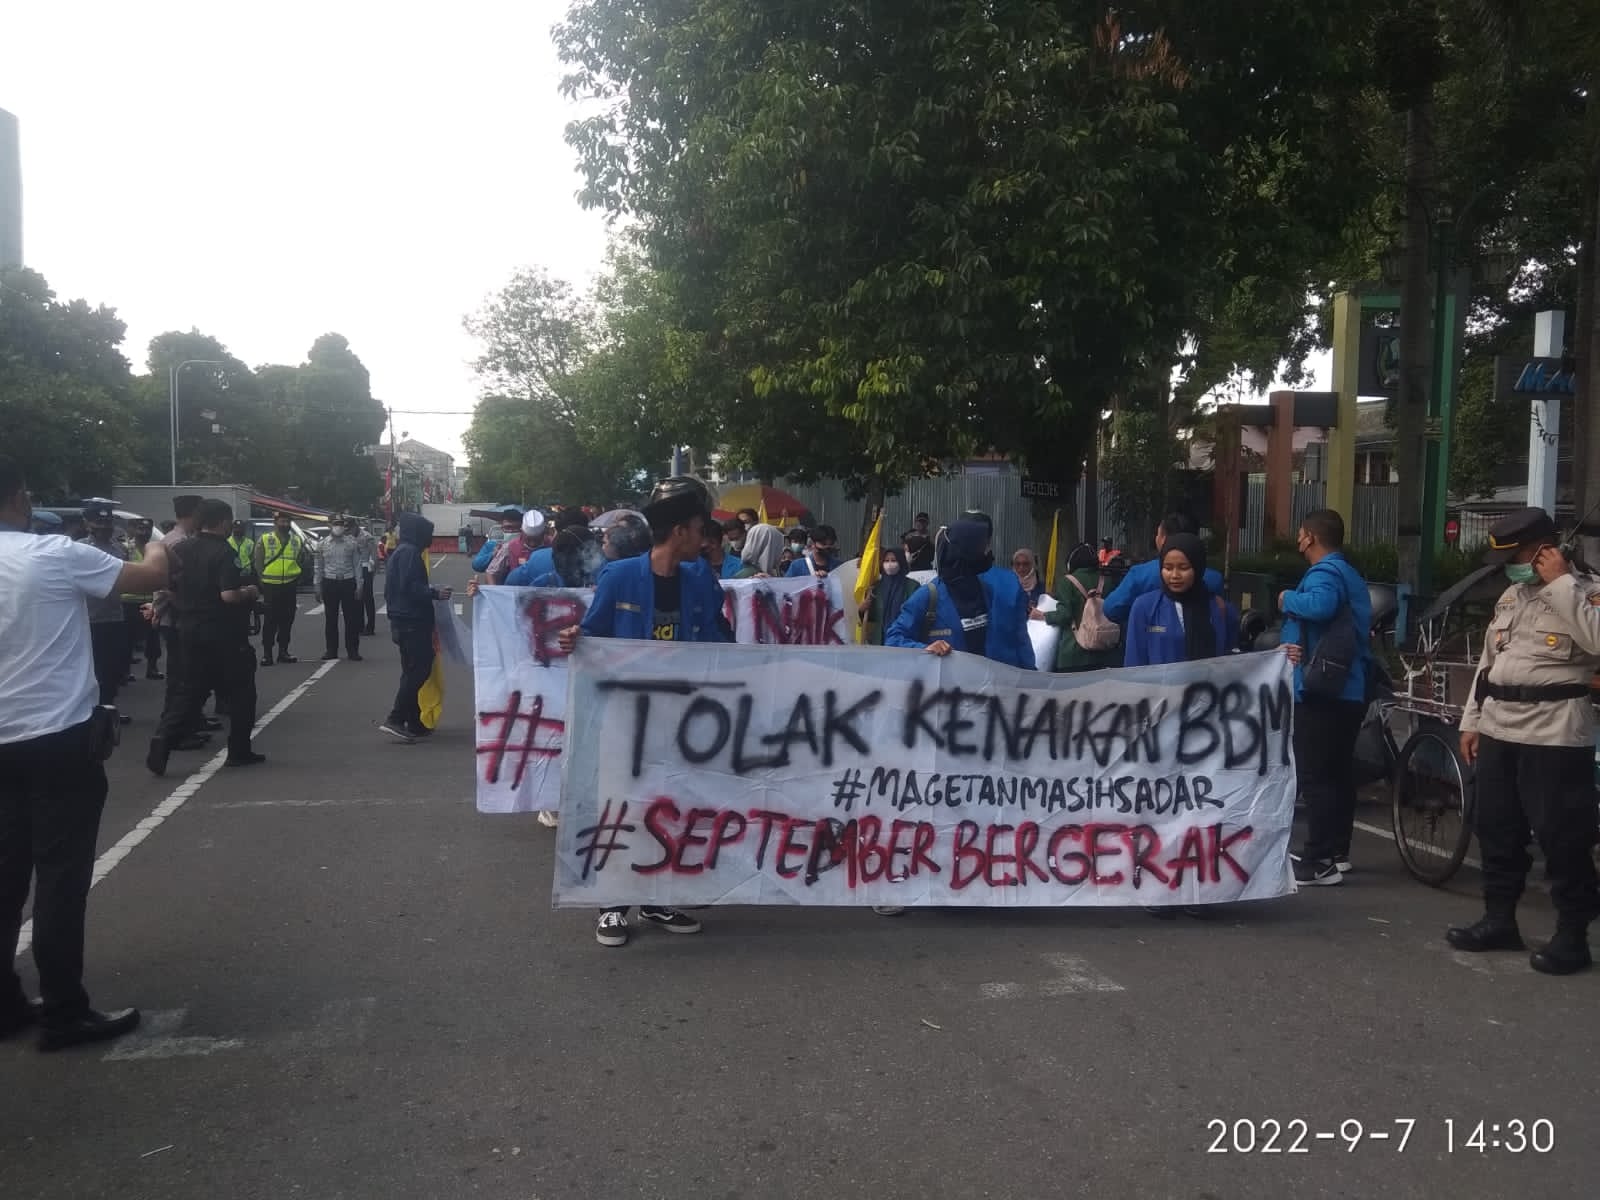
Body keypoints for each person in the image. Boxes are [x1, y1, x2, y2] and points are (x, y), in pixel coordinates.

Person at [1, 454, 172, 1050]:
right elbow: (148, 577)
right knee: (60, 874)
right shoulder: (53, 554)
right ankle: (64, 1010)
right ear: (20, 498)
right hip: (55, 737)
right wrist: (154, 540)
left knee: (3, 874)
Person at [557, 477, 729, 948]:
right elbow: (594, 635)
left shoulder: (700, 580)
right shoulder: (620, 577)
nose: (705, 539)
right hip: (625, 721)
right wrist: (575, 638)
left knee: (672, 808)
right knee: (622, 808)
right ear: (679, 531)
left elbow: (721, 638)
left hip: (683, 721)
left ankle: (657, 896)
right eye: (699, 529)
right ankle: (612, 904)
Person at [1444, 508, 1600, 974]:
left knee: (1562, 836)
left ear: (1545, 550)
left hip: (1554, 732)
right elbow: (1489, 663)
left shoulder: (1586, 591)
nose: (1511, 567)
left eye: (1517, 557)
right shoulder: (1512, 595)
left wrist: (1561, 583)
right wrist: (1472, 721)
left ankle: (1572, 937)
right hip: (1499, 727)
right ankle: (1499, 920)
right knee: (1496, 828)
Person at [1277, 509, 1371, 887]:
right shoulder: (1349, 573)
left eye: (1300, 534)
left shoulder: (1324, 573)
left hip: (1323, 688)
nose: (1298, 540)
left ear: (1310, 538)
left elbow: (1320, 606)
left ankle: (1318, 860)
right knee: (1338, 773)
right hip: (1349, 687)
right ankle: (1336, 852)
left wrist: (1286, 598)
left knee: (1315, 774)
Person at [147, 499, 264, 776]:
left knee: (189, 690)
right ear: (223, 521)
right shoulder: (225, 552)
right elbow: (229, 595)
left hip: (188, 628)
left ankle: (162, 740)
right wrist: (250, 592)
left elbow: (169, 586)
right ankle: (239, 751)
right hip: (224, 632)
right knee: (242, 692)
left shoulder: (181, 549)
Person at [886, 520, 1036, 669]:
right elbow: (893, 639)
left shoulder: (986, 591)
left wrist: (1031, 676)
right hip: (945, 683)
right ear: (965, 552)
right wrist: (925, 649)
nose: (987, 554)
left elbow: (1015, 640)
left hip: (987, 682)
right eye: (981, 549)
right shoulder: (929, 596)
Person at [380, 513, 451, 744]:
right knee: (419, 669)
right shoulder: (410, 553)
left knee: (411, 669)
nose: (430, 539)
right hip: (411, 620)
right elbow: (410, 587)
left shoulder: (403, 552)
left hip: (403, 619)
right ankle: (396, 717)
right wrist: (434, 593)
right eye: (427, 534)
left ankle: (414, 721)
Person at [1122, 533, 1238, 666]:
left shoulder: (1222, 609)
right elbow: (1133, 663)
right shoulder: (1144, 607)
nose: (1175, 575)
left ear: (1198, 567)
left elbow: (1231, 664)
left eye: (1183, 568)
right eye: (1168, 568)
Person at [1102, 514, 1224, 625]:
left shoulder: (1140, 575)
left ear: (1164, 539)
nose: (1175, 576)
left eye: (1158, 534)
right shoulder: (1215, 579)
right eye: (1169, 568)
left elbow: (1111, 609)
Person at [78, 500, 130, 710]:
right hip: (88, 619)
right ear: (87, 523)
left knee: (112, 670)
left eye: (107, 522)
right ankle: (89, 711)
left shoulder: (119, 549)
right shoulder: (79, 548)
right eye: (98, 523)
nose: (104, 527)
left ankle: (108, 709)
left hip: (114, 617)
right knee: (89, 670)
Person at [1045, 543, 1123, 672]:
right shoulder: (1108, 580)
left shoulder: (1066, 582)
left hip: (1074, 654)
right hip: (1105, 652)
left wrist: (1044, 616)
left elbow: (1064, 615)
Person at [254, 511, 303, 666]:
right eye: (282, 521)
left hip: (290, 585)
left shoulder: (296, 540)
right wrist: (262, 580)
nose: (285, 524)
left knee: (287, 619)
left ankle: (283, 651)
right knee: (270, 620)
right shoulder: (265, 539)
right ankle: (267, 654)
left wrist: (296, 577)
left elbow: (300, 560)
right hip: (271, 586)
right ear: (275, 522)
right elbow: (258, 562)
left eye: (287, 522)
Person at [313, 514, 365, 662]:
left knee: (351, 619)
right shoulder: (322, 544)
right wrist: (317, 586)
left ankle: (353, 650)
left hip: (348, 582)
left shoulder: (352, 543)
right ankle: (331, 650)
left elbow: (357, 565)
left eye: (341, 524)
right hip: (330, 583)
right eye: (336, 523)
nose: (339, 527)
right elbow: (318, 567)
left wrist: (359, 585)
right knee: (331, 619)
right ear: (329, 525)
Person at [122, 518, 163, 681]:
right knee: (128, 638)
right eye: (140, 529)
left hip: (150, 600)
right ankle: (125, 670)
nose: (144, 532)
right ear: (134, 529)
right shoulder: (126, 548)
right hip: (129, 600)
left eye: (147, 529)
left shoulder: (154, 549)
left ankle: (152, 668)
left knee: (153, 637)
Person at [865, 545, 913, 644]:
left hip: (903, 641)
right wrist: (862, 609)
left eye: (893, 560)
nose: (889, 564)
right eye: (886, 561)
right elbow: (871, 617)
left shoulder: (912, 586)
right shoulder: (875, 587)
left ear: (901, 562)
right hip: (879, 642)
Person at [226, 520, 261, 637]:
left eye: (240, 528)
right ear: (232, 529)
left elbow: (253, 559)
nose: (238, 530)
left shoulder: (249, 543)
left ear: (244, 530)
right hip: (233, 576)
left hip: (246, 576)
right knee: (234, 603)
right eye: (236, 528)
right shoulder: (227, 542)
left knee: (247, 604)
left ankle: (246, 624)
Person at [356, 521, 379, 635]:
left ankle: (370, 627)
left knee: (368, 599)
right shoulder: (348, 537)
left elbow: (374, 555)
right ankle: (359, 626)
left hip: (366, 569)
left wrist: (373, 571)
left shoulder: (367, 537)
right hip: (354, 570)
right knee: (357, 599)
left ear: (355, 527)